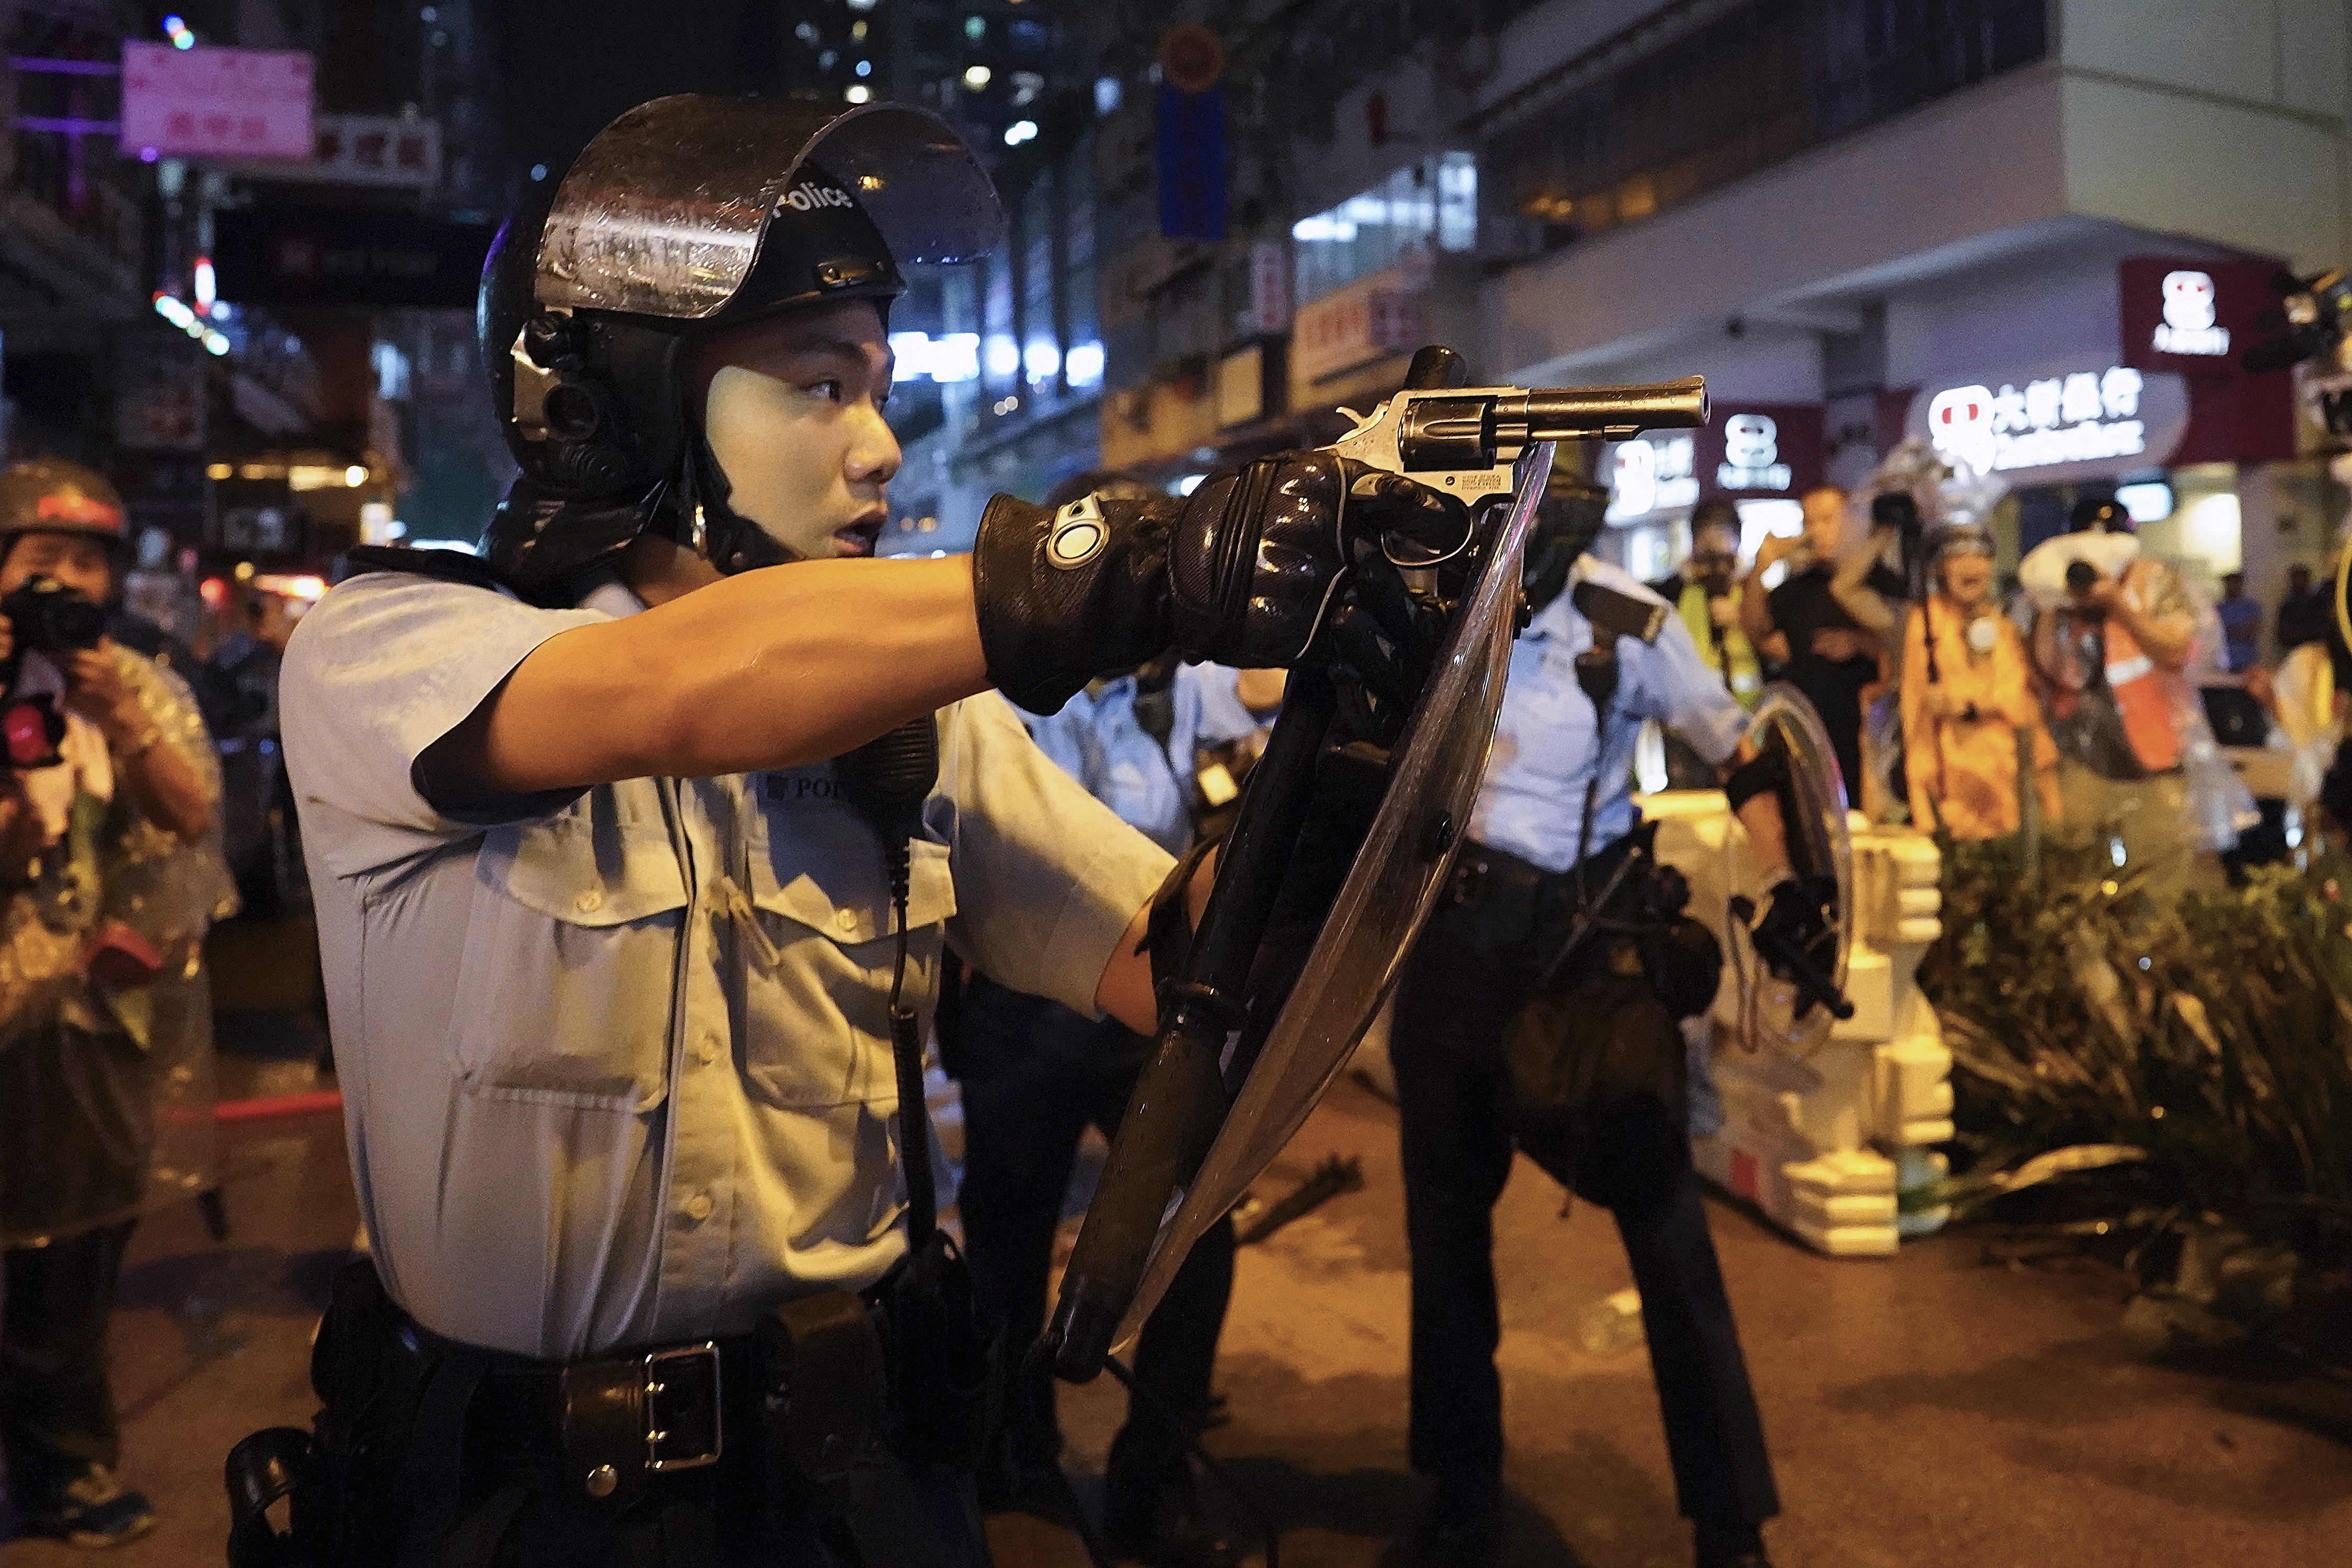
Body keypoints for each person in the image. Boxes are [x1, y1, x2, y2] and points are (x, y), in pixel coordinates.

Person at [261, 96, 1465, 1568]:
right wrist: (1117, 569)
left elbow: (1176, 968)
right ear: (619, 402)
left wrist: (1350, 760)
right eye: (820, 386)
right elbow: (675, 689)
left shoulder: (919, 714)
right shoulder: (391, 648)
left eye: (879, 389)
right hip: (524, 1514)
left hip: (858, 1491)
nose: (882, 447)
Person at [1390, 468, 1823, 1568]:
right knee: (1444, 1231)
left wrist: (1790, 887)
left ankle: (1730, 1523)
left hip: (1582, 948)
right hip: (1450, 942)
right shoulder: (1431, 600)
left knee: (1668, 1226)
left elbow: (1739, 751)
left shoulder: (1632, 622)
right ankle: (1459, 1499)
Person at [951, 470, 1276, 1568]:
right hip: (1025, 1002)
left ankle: (1154, 1482)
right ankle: (1015, 1456)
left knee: (1193, 1233)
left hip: (1155, 991)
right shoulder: (992, 680)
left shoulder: (1175, 679)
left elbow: (1267, 694)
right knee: (1007, 1238)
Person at [0, 458, 233, 1548]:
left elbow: (192, 821)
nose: (67, 585)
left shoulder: (130, 685)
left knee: (73, 1264)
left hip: (88, 1020)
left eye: (89, 564)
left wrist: (119, 715)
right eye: (42, 560)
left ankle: (66, 1470)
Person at [2028, 497, 2207, 897]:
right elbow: (2048, 669)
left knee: (2163, 885)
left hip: (2155, 759)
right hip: (2081, 760)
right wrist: (2050, 602)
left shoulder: (2155, 580)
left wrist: (2118, 604)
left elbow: (2178, 649)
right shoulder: (2062, 592)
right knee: (2072, 881)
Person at [1739, 485, 1901, 808]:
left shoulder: (1881, 582)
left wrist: (1859, 643)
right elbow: (1760, 634)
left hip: (1873, 740)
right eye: (1809, 522)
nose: (1816, 531)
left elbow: (1903, 649)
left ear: (1854, 521)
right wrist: (1759, 570)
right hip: (1813, 739)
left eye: (1828, 519)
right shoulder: (1800, 589)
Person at [1897, 523, 2058, 839]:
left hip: (2005, 783)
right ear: (1941, 569)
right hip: (1949, 784)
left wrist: (1965, 706)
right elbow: (1917, 706)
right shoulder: (1923, 623)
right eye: (1958, 557)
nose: (1971, 565)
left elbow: (2016, 697)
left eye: (1981, 557)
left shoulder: (2002, 626)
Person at [1646, 501, 1760, 788]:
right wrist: (1679, 578)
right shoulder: (1680, 591)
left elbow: (1773, 644)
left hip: (1746, 724)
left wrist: (1742, 617)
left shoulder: (1751, 592)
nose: (1715, 551)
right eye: (1706, 540)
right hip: (1690, 729)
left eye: (1723, 537)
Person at [2276, 562, 2331, 653]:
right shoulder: (2288, 605)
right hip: (2296, 649)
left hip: (2315, 648)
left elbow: (2322, 626)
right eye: (2297, 578)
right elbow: (2283, 634)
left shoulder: (2317, 601)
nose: (2300, 581)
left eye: (2302, 578)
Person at [2215, 573, 2261, 673]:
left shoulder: (2251, 607)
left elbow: (2249, 633)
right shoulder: (2218, 608)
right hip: (2223, 662)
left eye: (2235, 583)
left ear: (2241, 584)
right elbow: (2213, 633)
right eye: (2229, 583)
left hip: (2246, 660)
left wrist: (2226, 631)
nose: (2232, 586)